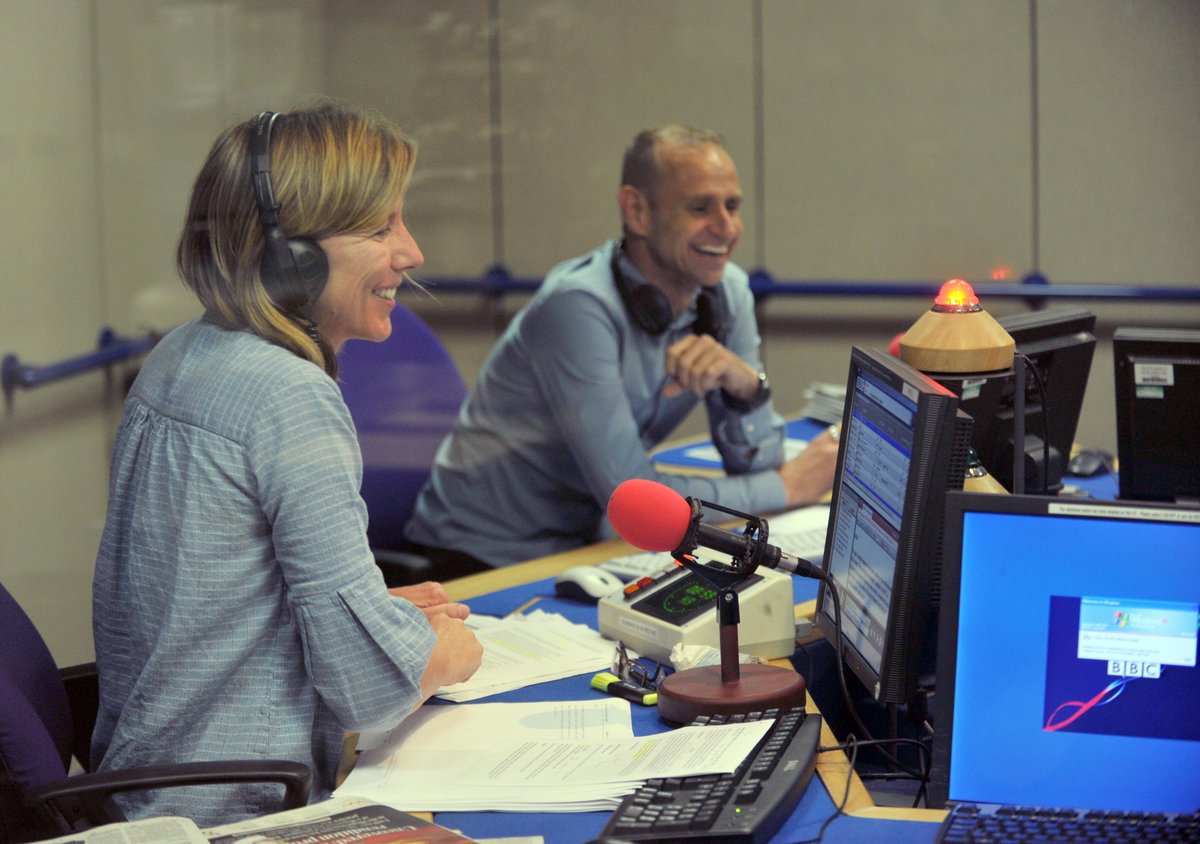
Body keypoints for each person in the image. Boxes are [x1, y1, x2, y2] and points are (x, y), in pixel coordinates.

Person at [91, 103, 482, 826]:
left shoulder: (182, 353)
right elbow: (369, 693)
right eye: (380, 229)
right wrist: (445, 655)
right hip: (237, 813)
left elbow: (215, 609)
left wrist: (373, 619)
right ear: (289, 257)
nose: (412, 252)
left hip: (153, 792)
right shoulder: (288, 394)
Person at [406, 124, 839, 572]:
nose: (727, 228)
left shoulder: (726, 291)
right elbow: (626, 491)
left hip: (589, 542)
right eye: (700, 208)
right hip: (482, 554)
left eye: (732, 206)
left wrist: (748, 390)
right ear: (637, 211)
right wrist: (787, 488)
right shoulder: (578, 306)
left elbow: (760, 465)